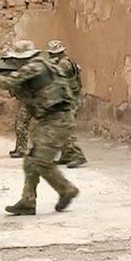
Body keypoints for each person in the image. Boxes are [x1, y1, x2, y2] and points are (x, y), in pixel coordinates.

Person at [0, 40, 79, 215]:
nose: (15, 63)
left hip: (57, 119)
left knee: (41, 161)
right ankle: (28, 201)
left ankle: (66, 189)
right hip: (49, 119)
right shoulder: (42, 67)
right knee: (30, 161)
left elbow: (6, 83)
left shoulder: (35, 67)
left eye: (17, 60)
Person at [47, 40, 88, 168]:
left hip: (69, 99)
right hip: (67, 98)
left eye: (52, 54)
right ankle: (66, 155)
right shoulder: (66, 62)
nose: (50, 56)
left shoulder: (64, 64)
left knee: (64, 128)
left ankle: (77, 155)